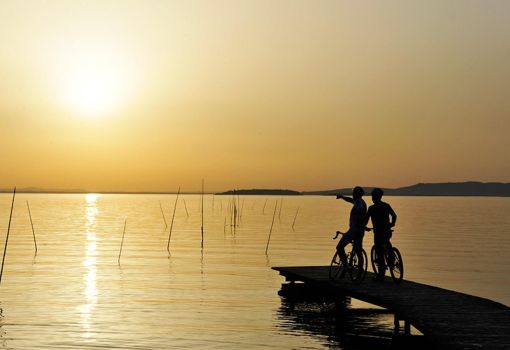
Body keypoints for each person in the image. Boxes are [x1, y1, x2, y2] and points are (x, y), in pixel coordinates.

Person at [366, 188, 397, 281]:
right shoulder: (386, 205)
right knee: (387, 242)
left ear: (374, 197)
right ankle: (391, 258)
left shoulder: (371, 208)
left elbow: (366, 219)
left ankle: (381, 275)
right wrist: (392, 224)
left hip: (378, 232)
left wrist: (364, 227)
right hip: (387, 230)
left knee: (379, 251)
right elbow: (394, 216)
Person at [334, 186, 367, 269]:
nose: (352, 194)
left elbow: (360, 213)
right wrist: (342, 197)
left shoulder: (359, 204)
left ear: (356, 194)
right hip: (360, 230)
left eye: (353, 193)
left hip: (354, 230)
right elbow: (350, 200)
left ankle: (346, 266)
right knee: (358, 250)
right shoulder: (359, 201)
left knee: (339, 247)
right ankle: (360, 269)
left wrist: (357, 225)